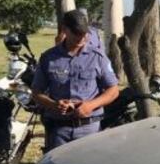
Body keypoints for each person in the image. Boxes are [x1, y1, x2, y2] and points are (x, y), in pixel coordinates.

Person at [32, 9, 119, 151]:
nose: (81, 38)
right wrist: (54, 105)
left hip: (89, 129)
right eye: (76, 34)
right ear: (65, 30)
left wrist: (90, 105)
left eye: (84, 34)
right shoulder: (48, 58)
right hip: (58, 131)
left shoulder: (97, 57)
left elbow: (113, 90)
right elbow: (36, 92)